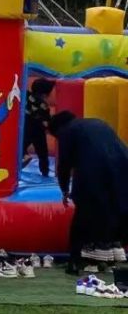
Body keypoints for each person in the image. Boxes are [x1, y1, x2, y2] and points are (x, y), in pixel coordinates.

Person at [48, 111, 128, 273]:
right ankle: (110, 251)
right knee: (116, 209)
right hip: (122, 168)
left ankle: (75, 261)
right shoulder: (99, 122)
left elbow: (64, 165)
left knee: (83, 215)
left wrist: (64, 190)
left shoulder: (67, 131)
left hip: (94, 171)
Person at [23, 78, 55, 176]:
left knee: (21, 146)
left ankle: (24, 157)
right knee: (43, 154)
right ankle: (45, 171)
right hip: (38, 130)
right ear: (45, 95)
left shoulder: (26, 95)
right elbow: (46, 122)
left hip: (26, 127)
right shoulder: (44, 106)